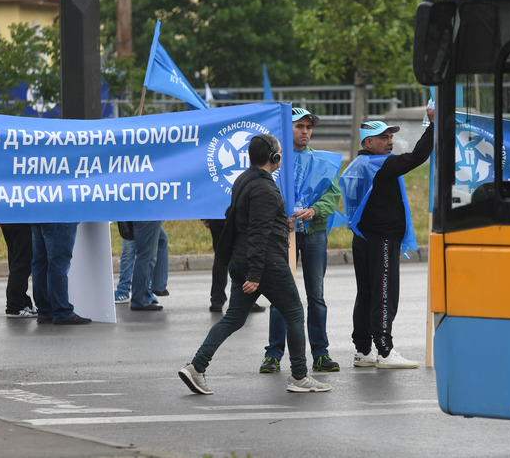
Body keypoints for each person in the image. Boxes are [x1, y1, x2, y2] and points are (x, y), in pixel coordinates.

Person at [179, 135, 332, 395]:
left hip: (243, 262)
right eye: (280, 153)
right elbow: (259, 233)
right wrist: (255, 274)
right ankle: (299, 377)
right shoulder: (265, 189)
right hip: (266, 264)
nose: (282, 157)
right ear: (273, 157)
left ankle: (196, 367)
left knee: (233, 319)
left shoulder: (244, 179)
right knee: (294, 313)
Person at [340, 109, 434, 368]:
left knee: (367, 294)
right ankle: (384, 350)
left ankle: (362, 350)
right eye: (383, 137)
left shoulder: (358, 165)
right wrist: (433, 127)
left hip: (362, 238)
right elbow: (417, 157)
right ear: (368, 143)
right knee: (384, 295)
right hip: (381, 239)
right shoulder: (379, 165)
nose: (390, 141)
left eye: (390, 136)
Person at [260, 108, 340, 374]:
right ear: (287, 128)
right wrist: (282, 217)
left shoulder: (321, 161)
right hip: (283, 235)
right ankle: (273, 355)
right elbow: (264, 194)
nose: (305, 131)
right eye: (299, 126)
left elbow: (331, 195)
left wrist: (315, 210)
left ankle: (320, 353)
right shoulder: (274, 162)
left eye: (309, 127)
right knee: (281, 294)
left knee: (316, 295)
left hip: (314, 233)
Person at [31, 222, 91, 325]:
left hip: (38, 214)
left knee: (40, 263)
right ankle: (62, 311)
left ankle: (45, 310)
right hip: (60, 216)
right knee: (58, 263)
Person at [204, 217, 265, 314]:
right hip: (237, 217)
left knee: (220, 258)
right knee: (242, 256)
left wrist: (205, 216)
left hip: (216, 218)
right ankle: (247, 299)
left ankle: (217, 300)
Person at [129, 221, 169, 311]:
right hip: (147, 215)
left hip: (142, 215)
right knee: (146, 256)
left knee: (162, 239)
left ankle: (158, 285)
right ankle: (140, 299)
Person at [1, 223, 36, 318]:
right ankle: (15, 306)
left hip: (7, 219)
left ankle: (21, 302)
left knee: (15, 260)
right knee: (22, 262)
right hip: (21, 220)